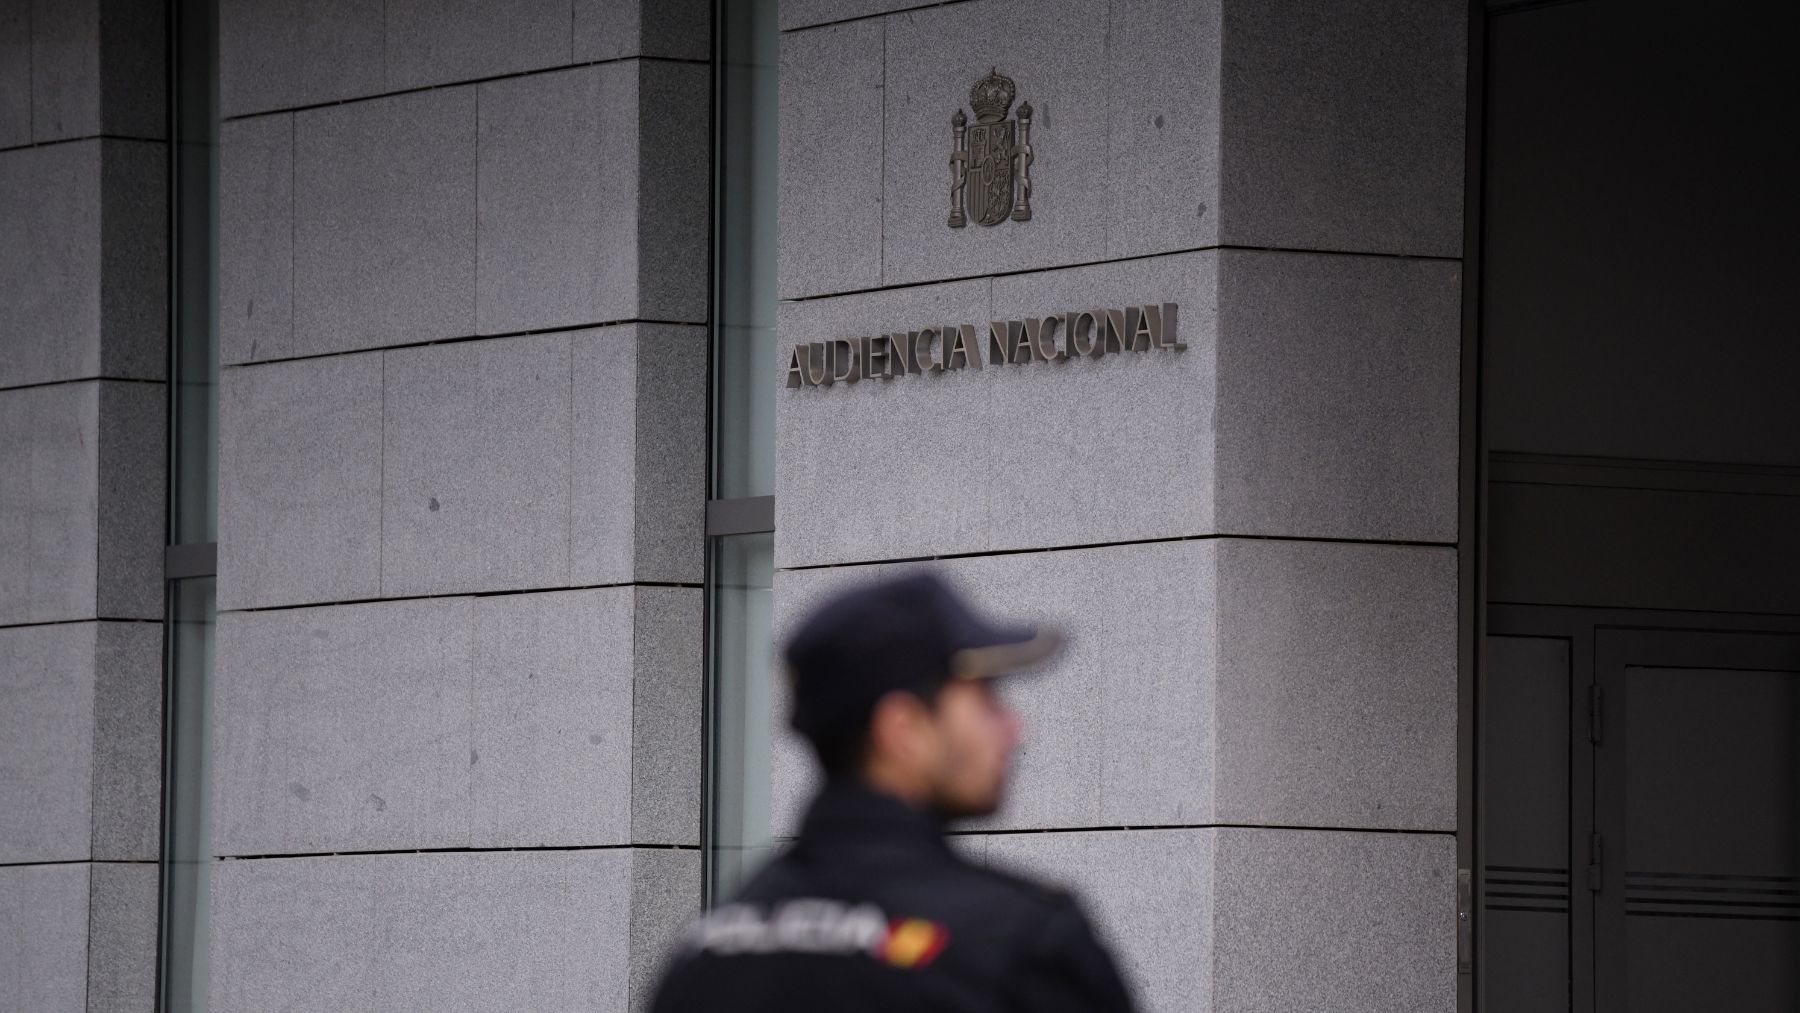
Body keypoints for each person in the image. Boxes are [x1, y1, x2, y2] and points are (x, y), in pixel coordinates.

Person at [649, 571, 1139, 1012]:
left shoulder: (705, 954)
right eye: (986, 699)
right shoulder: (1021, 945)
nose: (1015, 728)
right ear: (902, 730)